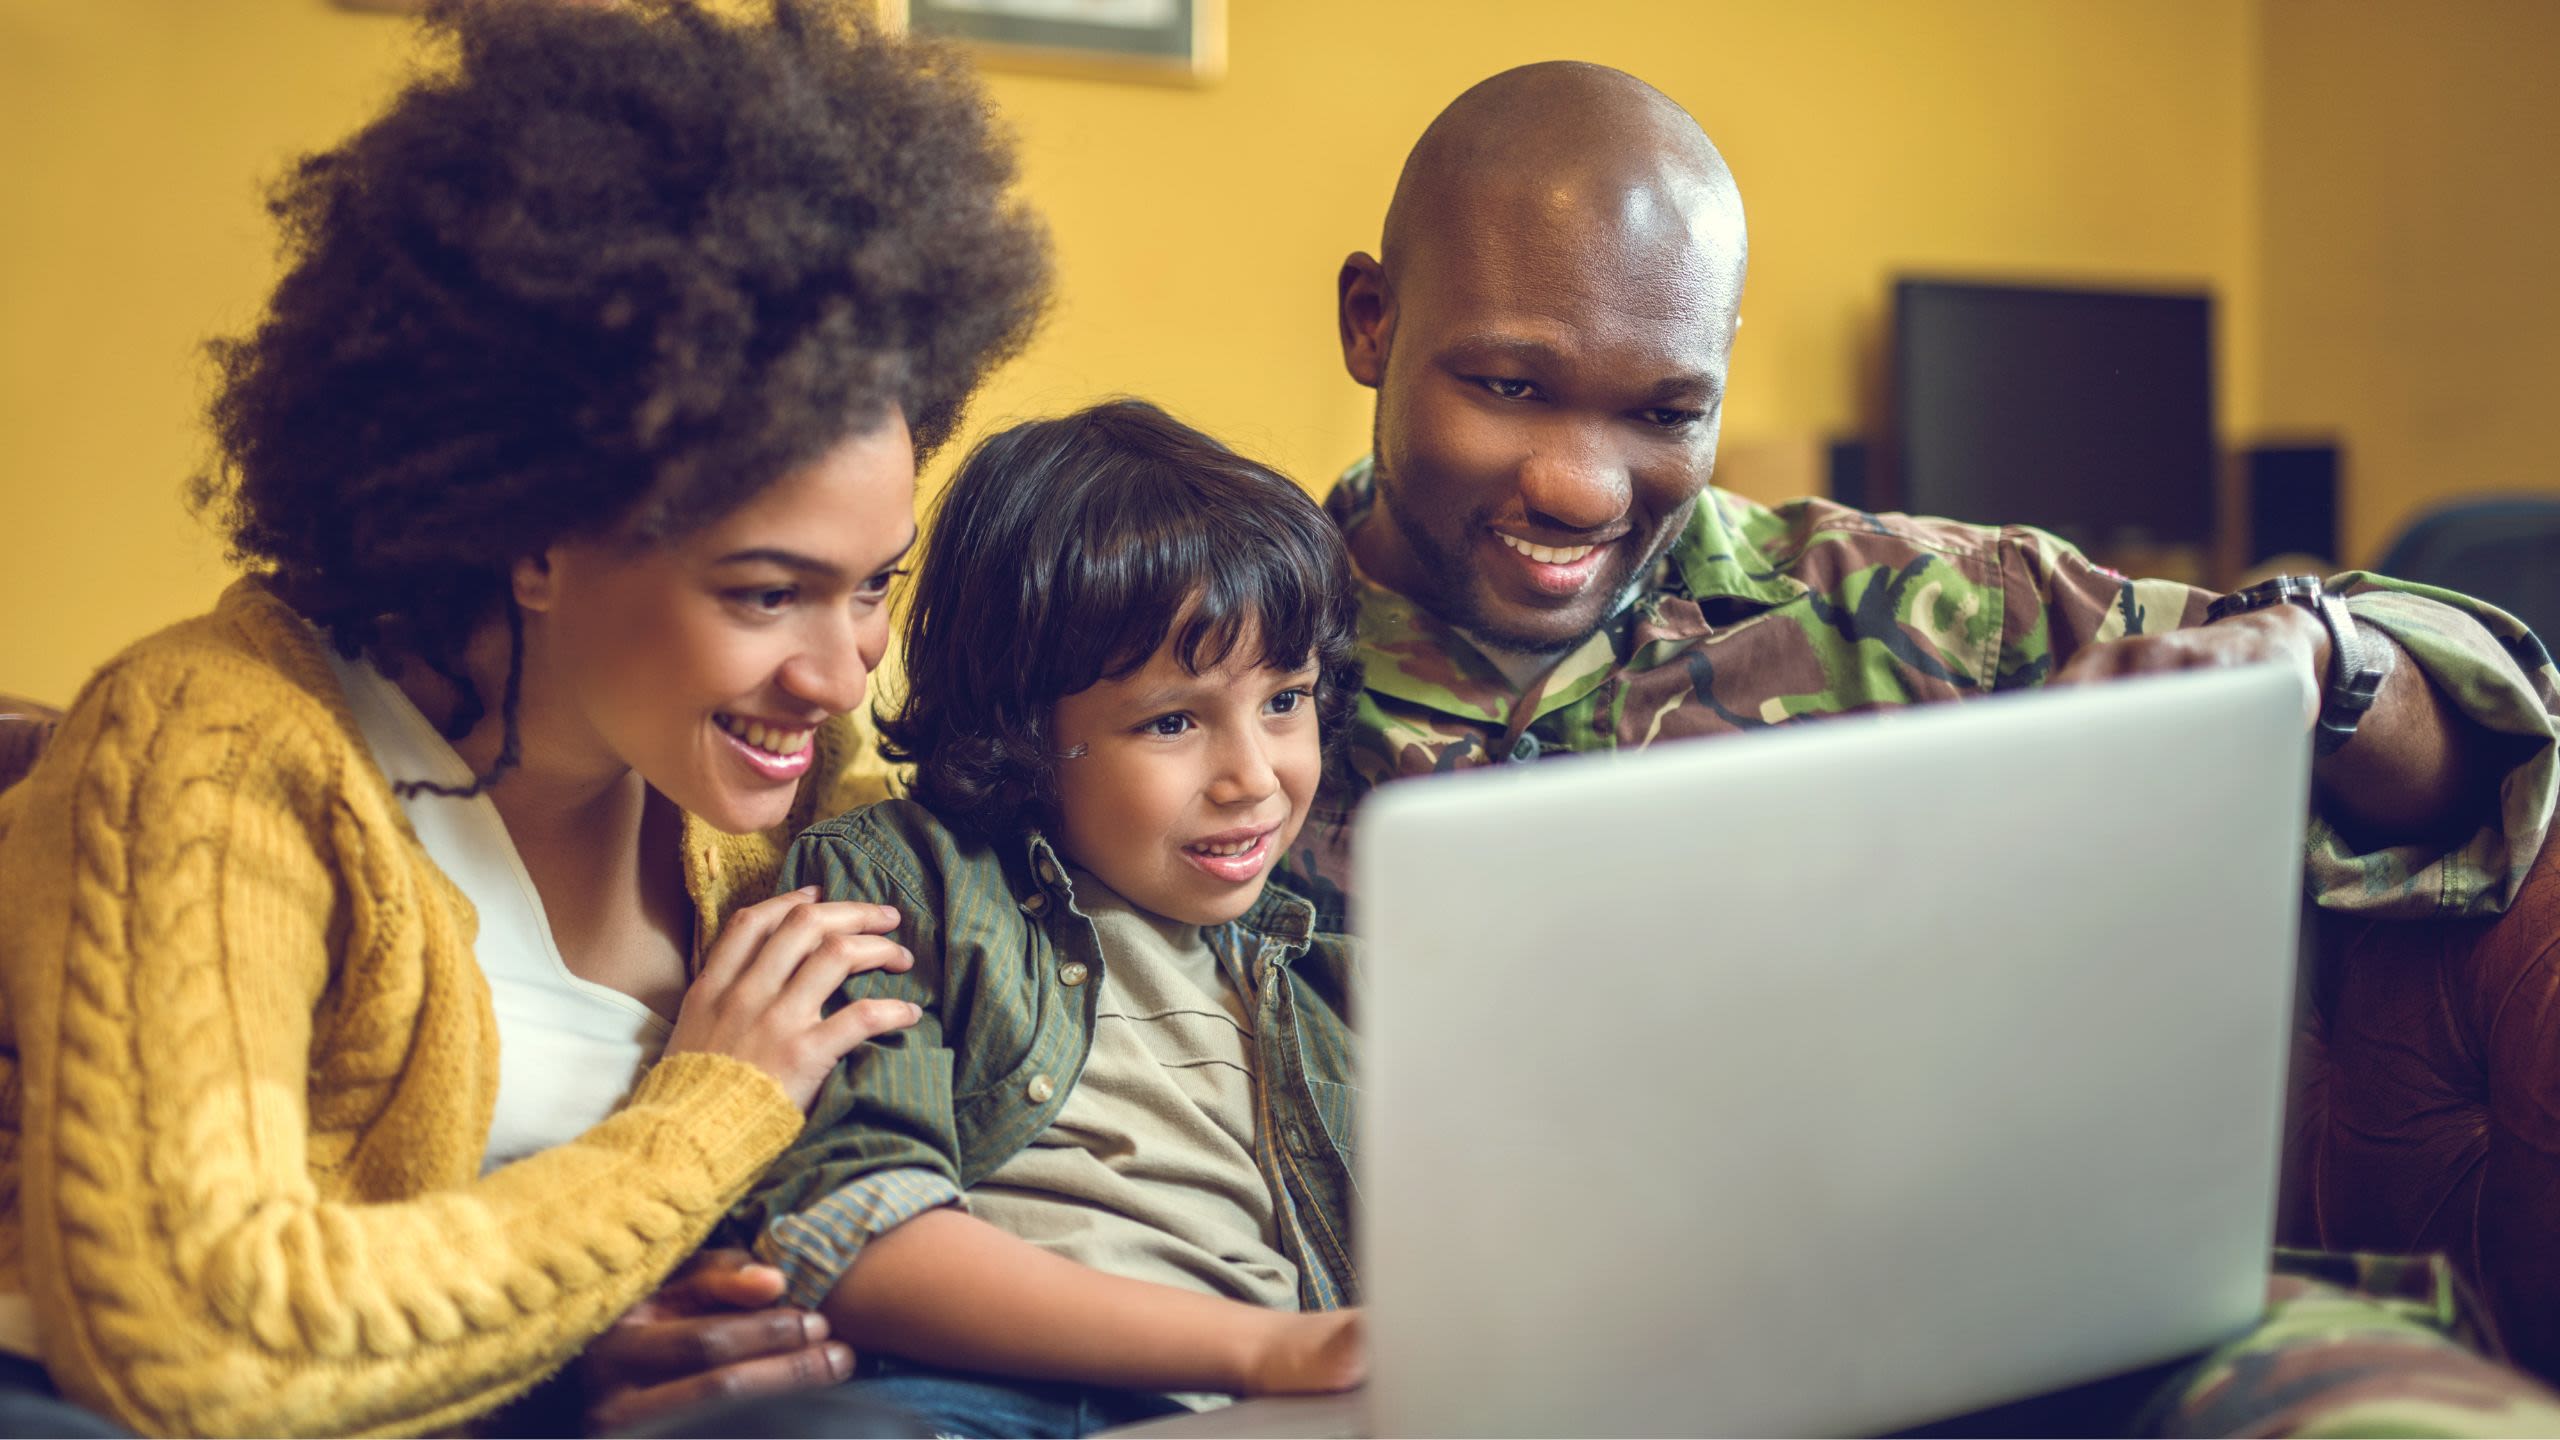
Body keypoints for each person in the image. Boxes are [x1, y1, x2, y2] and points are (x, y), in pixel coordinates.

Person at [1275, 59, 2560, 1437]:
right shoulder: (1196, 674)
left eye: (1665, 413)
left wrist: (2308, 660)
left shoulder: (1916, 610)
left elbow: (2479, 763)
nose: (1584, 485)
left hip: (2044, 1336)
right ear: (1373, 322)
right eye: (1513, 384)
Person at [0, 1, 1047, 1435]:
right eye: (763, 595)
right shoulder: (222, 754)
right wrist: (708, 1110)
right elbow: (198, 1333)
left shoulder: (783, 803)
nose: (840, 675)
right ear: (534, 537)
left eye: (876, 586)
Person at [724, 401, 1367, 1439]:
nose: (1254, 777)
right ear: (1021, 726)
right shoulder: (902, 881)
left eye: (1284, 700)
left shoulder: (1334, 994)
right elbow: (850, 1229)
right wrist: (1263, 1348)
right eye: (1173, 720)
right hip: (976, 1403)